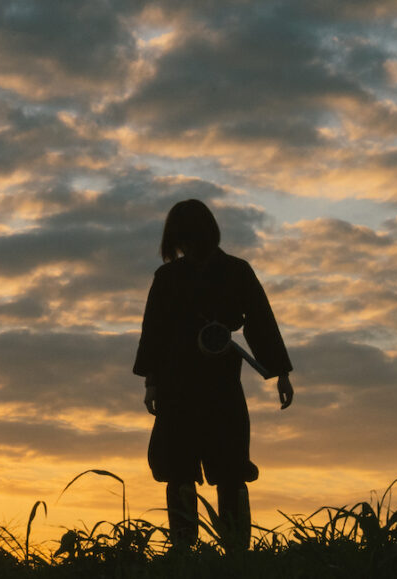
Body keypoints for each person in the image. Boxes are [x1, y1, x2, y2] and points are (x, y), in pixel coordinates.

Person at [133, 199, 294, 552]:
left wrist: (280, 371)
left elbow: (260, 321)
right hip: (177, 383)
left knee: (231, 470)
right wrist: (152, 382)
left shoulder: (237, 272)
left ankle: (235, 551)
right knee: (179, 471)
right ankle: (184, 550)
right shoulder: (168, 277)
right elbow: (155, 332)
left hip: (220, 383)